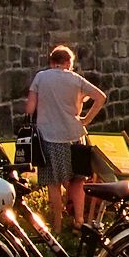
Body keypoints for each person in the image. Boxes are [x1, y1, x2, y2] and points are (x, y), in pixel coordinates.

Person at [26, 44, 107, 230]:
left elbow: (30, 108)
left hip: (49, 136)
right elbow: (100, 97)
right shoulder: (76, 79)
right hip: (75, 135)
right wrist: (85, 119)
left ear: (52, 61)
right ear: (68, 62)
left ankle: (57, 224)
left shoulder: (41, 77)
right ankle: (79, 221)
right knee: (78, 181)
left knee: (53, 182)